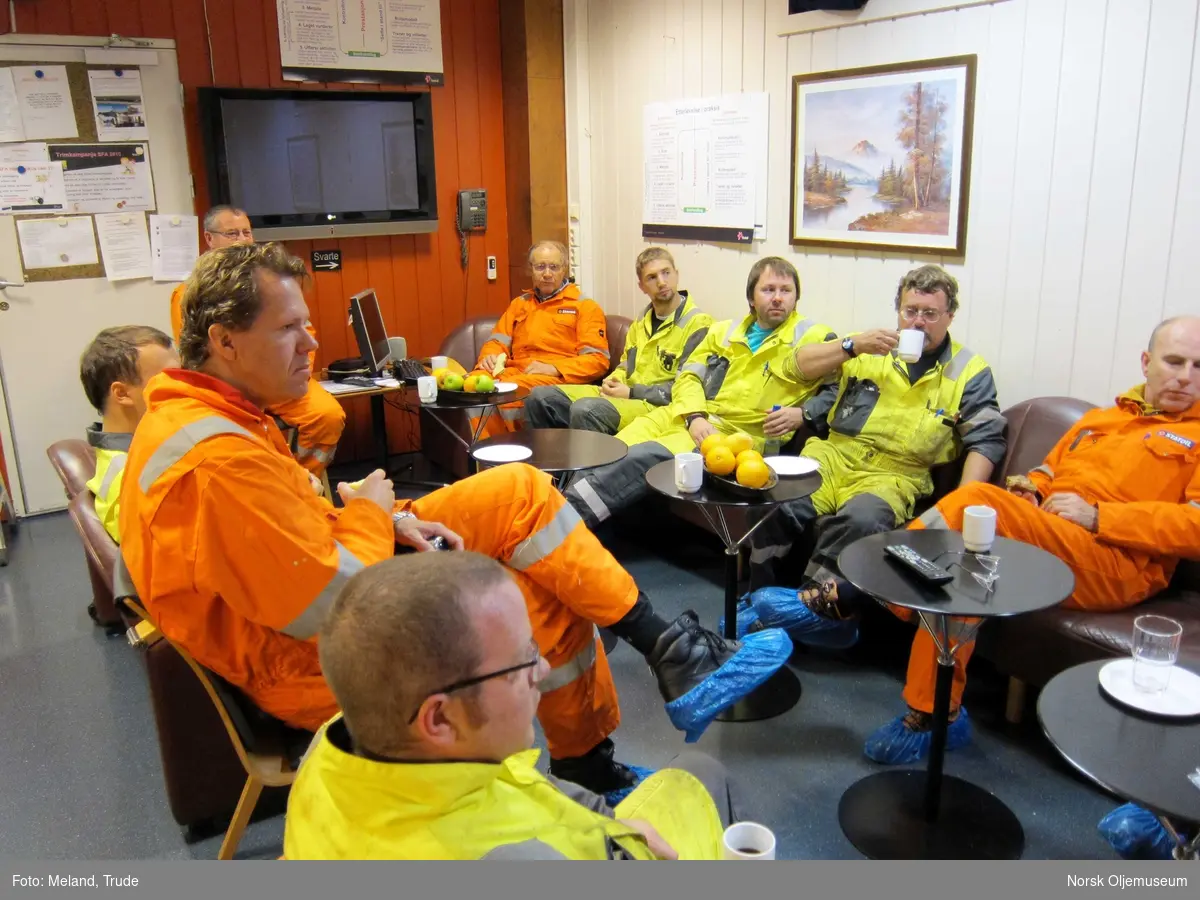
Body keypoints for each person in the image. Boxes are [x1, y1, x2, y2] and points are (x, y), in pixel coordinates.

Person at [118, 242, 794, 799]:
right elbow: (328, 601)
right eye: (290, 328)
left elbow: (281, 533)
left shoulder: (206, 414)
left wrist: (374, 518)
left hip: (311, 584)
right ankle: (608, 740)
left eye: (310, 325)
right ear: (224, 341)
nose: (311, 344)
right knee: (538, 595)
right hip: (305, 661)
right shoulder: (214, 460)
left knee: (520, 490)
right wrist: (368, 518)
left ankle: (670, 657)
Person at [769, 316, 1200, 811]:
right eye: (1174, 361)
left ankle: (848, 596)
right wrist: (1033, 488)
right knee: (963, 566)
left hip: (1116, 561)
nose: (1186, 376)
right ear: (1147, 363)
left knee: (976, 505)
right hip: (1053, 534)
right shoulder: (1101, 420)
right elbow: (1049, 469)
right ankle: (932, 715)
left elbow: (1194, 527)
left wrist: (1102, 515)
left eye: (1198, 366)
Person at [283, 552, 753, 859]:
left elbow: (517, 784)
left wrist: (612, 821)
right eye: (520, 663)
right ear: (441, 718)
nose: (544, 670)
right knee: (700, 770)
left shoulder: (339, 749)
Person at [738, 265, 1005, 653]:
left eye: (930, 314)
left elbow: (986, 440)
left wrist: (963, 507)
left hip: (895, 474)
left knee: (863, 519)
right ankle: (760, 596)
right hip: (833, 456)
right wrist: (851, 345)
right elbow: (795, 366)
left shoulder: (970, 370)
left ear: (950, 316)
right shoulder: (870, 348)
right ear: (898, 311)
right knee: (776, 498)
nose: (919, 321)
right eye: (910, 311)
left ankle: (810, 612)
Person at [565, 256, 836, 529]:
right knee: (609, 451)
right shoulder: (723, 332)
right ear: (751, 298)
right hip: (683, 415)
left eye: (786, 290)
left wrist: (804, 414)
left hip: (734, 436)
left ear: (796, 297)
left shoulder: (815, 337)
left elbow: (837, 389)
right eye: (768, 290)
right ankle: (555, 513)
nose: (778, 298)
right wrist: (695, 416)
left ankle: (564, 529)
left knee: (644, 456)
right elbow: (688, 377)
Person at [168, 205, 345, 477]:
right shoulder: (189, 296)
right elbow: (197, 359)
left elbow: (307, 336)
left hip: (282, 377)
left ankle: (304, 480)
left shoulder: (274, 286)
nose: (241, 239)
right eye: (232, 233)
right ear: (209, 239)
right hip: (242, 386)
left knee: (328, 414)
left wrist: (294, 370)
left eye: (246, 232)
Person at [524, 247, 712, 434]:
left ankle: (591, 464)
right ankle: (550, 463)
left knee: (587, 410)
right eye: (652, 277)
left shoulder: (698, 324)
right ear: (642, 286)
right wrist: (612, 382)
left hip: (655, 406)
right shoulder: (642, 321)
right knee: (540, 397)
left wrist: (631, 393)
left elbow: (686, 387)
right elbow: (625, 365)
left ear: (676, 275)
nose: (662, 282)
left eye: (666, 273)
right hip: (624, 394)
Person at [469, 240, 611, 436]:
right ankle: (480, 455)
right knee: (472, 385)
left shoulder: (585, 307)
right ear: (531, 270)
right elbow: (497, 341)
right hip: (513, 371)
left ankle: (515, 450)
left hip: (553, 380)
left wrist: (555, 369)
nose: (547, 273)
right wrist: (489, 357)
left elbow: (598, 360)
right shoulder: (519, 304)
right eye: (540, 267)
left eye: (554, 267)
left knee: (510, 391)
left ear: (564, 269)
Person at [77, 325, 178, 543]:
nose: (184, 387)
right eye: (169, 379)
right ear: (122, 394)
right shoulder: (132, 479)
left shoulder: (133, 457)